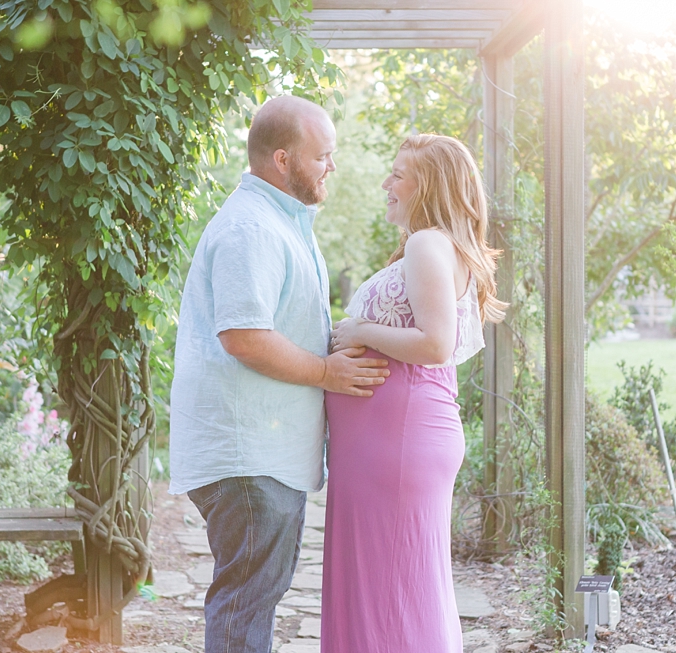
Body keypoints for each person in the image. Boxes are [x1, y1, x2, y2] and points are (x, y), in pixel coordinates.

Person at [168, 95, 390, 653]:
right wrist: (326, 372)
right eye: (323, 155)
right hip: (249, 457)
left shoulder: (280, 220)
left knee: (252, 603)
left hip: (263, 457)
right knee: (244, 608)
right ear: (284, 159)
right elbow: (244, 336)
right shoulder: (253, 228)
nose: (332, 166)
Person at [320, 134, 507, 652]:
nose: (387, 183)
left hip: (396, 440)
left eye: (397, 174)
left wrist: (358, 331)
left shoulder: (429, 243)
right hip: (390, 441)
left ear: (428, 186)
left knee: (395, 593)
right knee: (398, 588)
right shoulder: (436, 244)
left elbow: (435, 342)